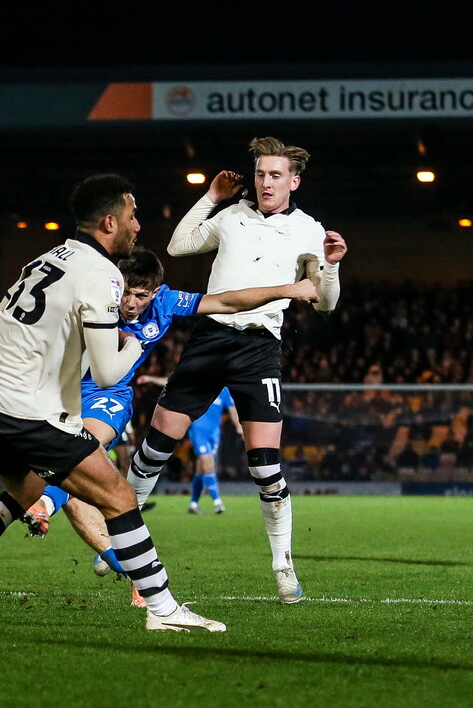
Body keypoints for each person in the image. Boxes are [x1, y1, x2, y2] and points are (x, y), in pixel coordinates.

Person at [0, 173, 226, 632]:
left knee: (23, 495)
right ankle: (164, 611)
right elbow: (108, 373)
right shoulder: (101, 276)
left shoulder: (46, 259)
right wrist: (142, 339)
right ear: (109, 222)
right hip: (28, 412)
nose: (138, 225)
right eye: (132, 215)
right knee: (120, 496)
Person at [20, 249, 318, 604]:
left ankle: (51, 511)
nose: (130, 303)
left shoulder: (165, 302)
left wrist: (287, 290)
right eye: (125, 292)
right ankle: (115, 552)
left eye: (140, 295)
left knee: (82, 455)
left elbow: (225, 301)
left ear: (154, 292)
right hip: (58, 392)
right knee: (29, 482)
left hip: (107, 395)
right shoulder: (96, 297)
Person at [126, 136, 348, 605]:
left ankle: (283, 566)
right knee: (156, 447)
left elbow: (325, 303)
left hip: (259, 347)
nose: (266, 182)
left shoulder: (309, 229)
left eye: (275, 175)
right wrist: (212, 196)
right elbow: (178, 245)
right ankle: (118, 536)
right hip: (210, 336)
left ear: (294, 181)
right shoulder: (232, 215)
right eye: (261, 173)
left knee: (265, 467)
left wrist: (330, 266)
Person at [182, 386, 241, 515]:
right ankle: (217, 502)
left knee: (201, 468)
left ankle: (193, 504)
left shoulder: (224, 390)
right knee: (208, 462)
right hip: (198, 430)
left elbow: (232, 408)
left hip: (214, 433)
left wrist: (238, 426)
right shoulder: (201, 385)